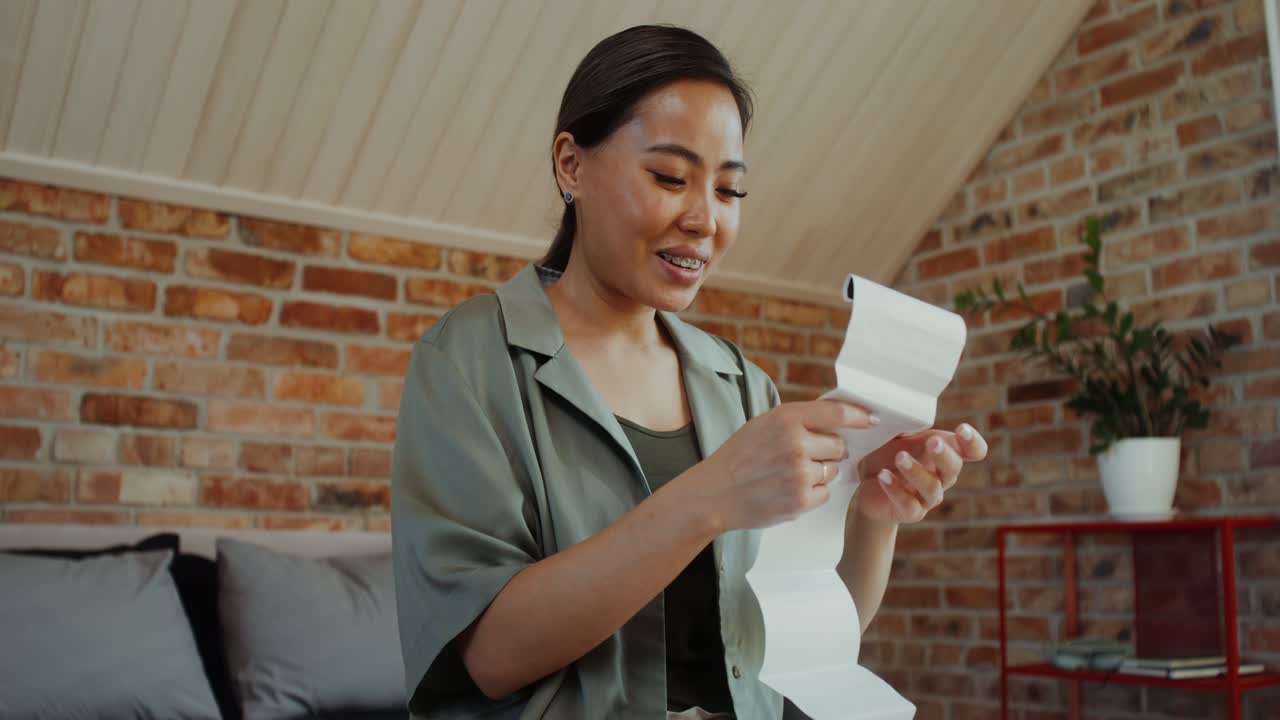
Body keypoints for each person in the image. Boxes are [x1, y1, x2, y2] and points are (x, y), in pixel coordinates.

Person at [390, 24, 988, 720]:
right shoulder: (468, 361)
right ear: (571, 166)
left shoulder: (740, 385)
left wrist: (877, 519)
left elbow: (802, 646)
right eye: (670, 178)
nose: (705, 220)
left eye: (730, 191)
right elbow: (491, 656)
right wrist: (710, 495)